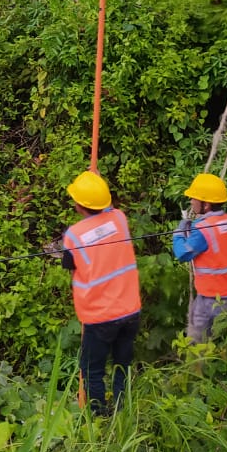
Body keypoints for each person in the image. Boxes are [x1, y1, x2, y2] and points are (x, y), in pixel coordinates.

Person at [57, 171, 141, 416]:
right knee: (121, 365)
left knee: (92, 370)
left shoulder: (74, 235)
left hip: (100, 316)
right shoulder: (120, 219)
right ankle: (121, 409)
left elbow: (68, 264)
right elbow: (108, 209)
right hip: (130, 310)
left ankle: (97, 416)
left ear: (78, 204)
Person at [172, 172, 227, 343]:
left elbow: (183, 253)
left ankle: (196, 367)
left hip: (210, 298)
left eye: (194, 199)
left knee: (198, 343)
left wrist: (179, 233)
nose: (191, 202)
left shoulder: (203, 229)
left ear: (206, 204)